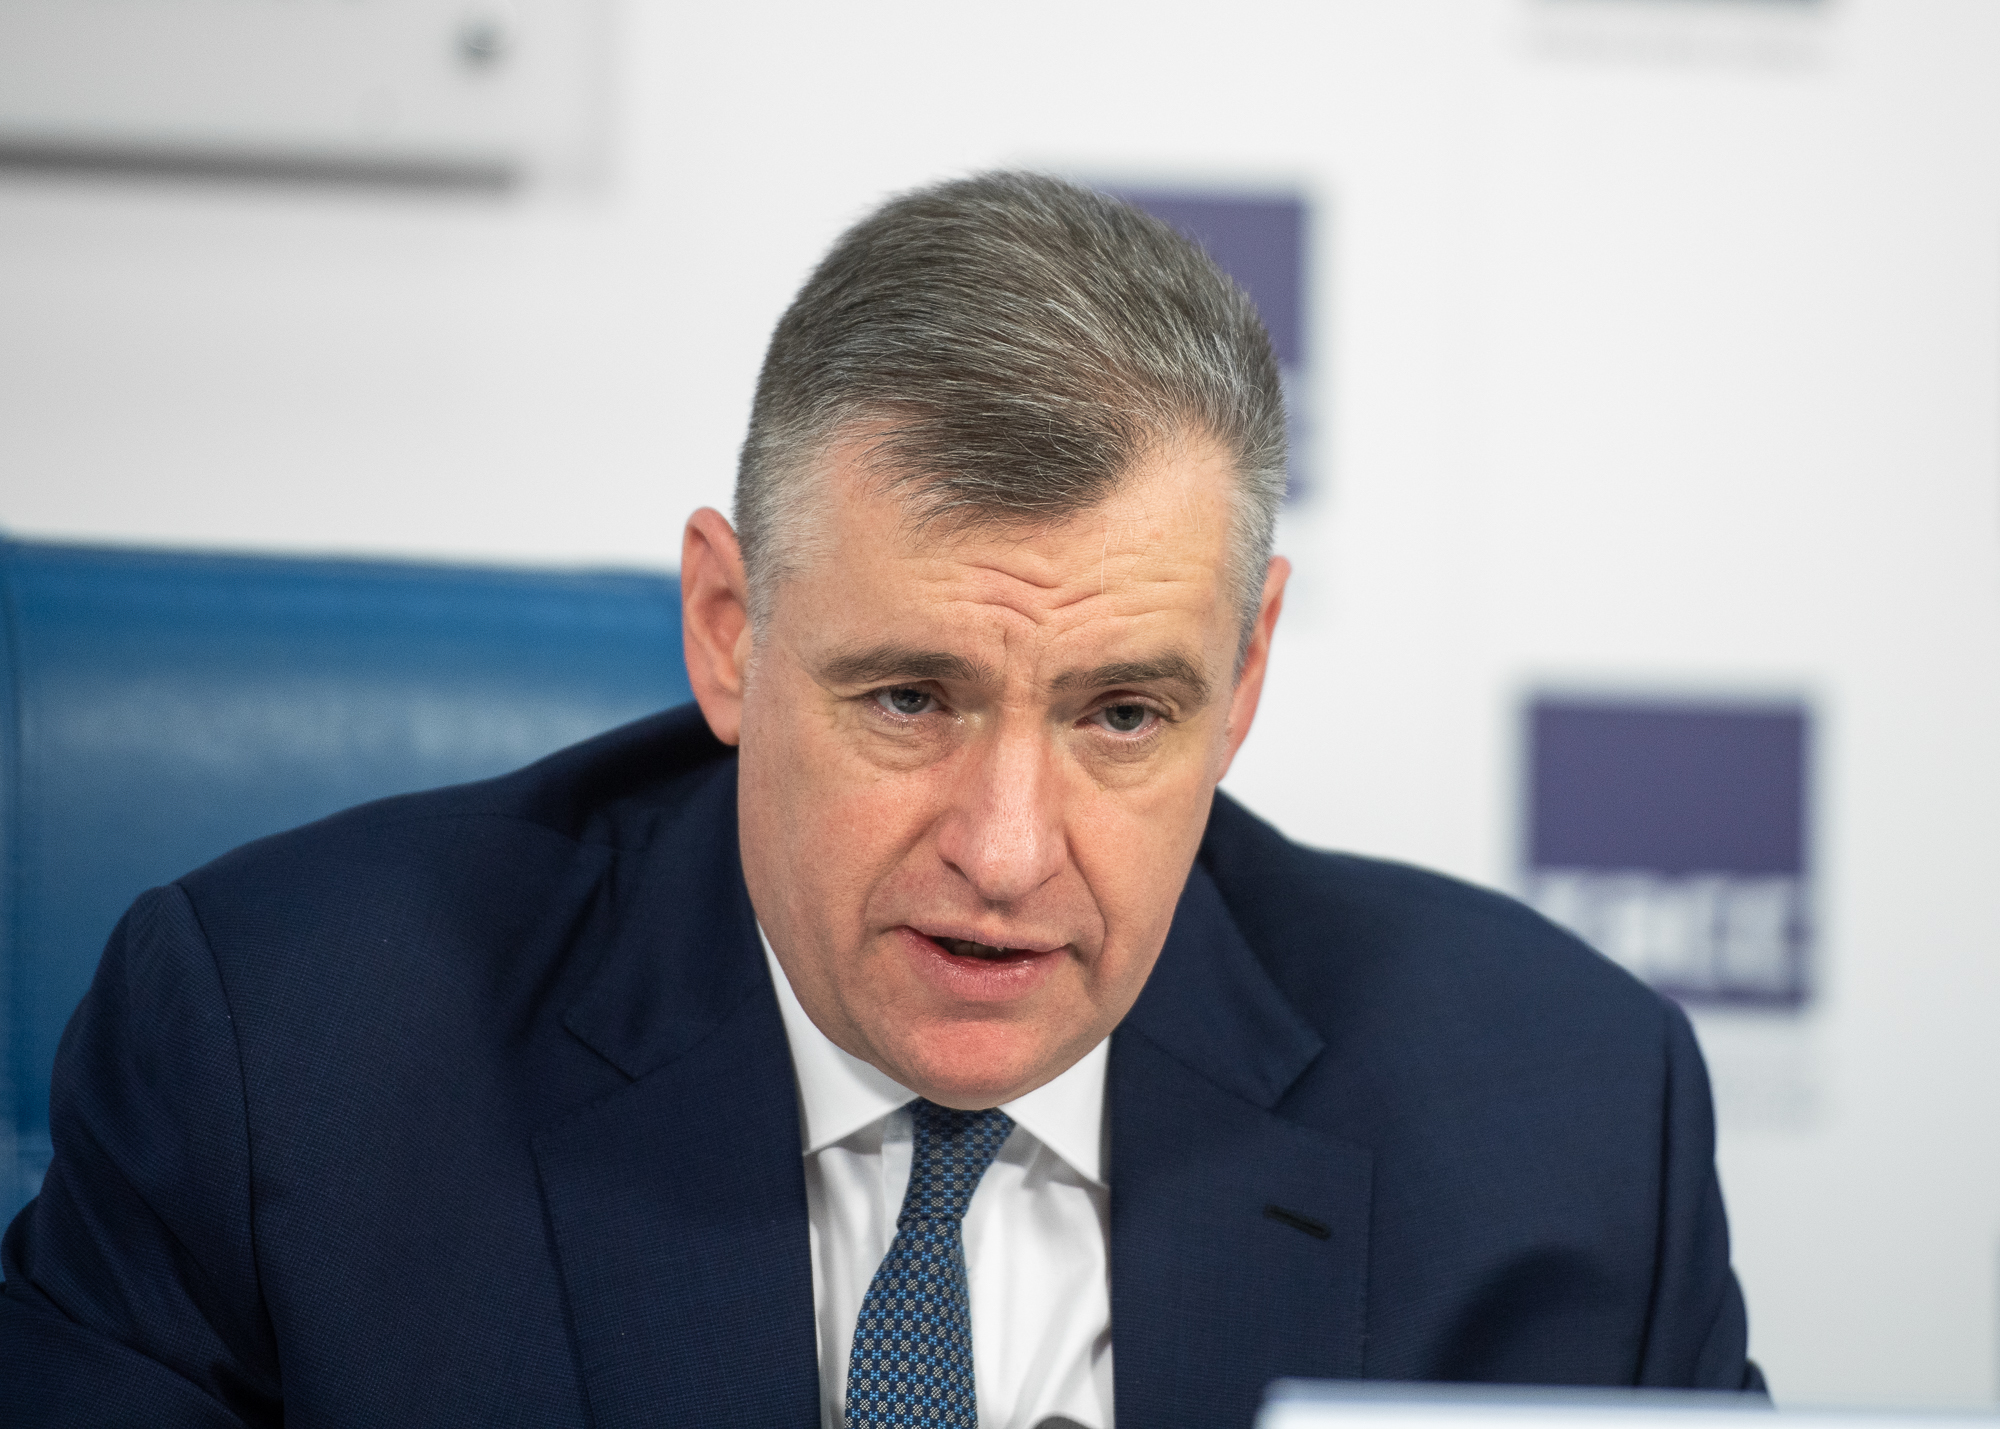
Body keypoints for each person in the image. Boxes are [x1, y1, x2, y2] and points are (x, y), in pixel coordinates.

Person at [0, 173, 1761, 1429]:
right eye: (911, 698)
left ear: (1245, 674)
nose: (1006, 849)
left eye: (1124, 713)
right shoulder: (283, 1058)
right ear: (730, 629)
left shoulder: (1568, 1127)